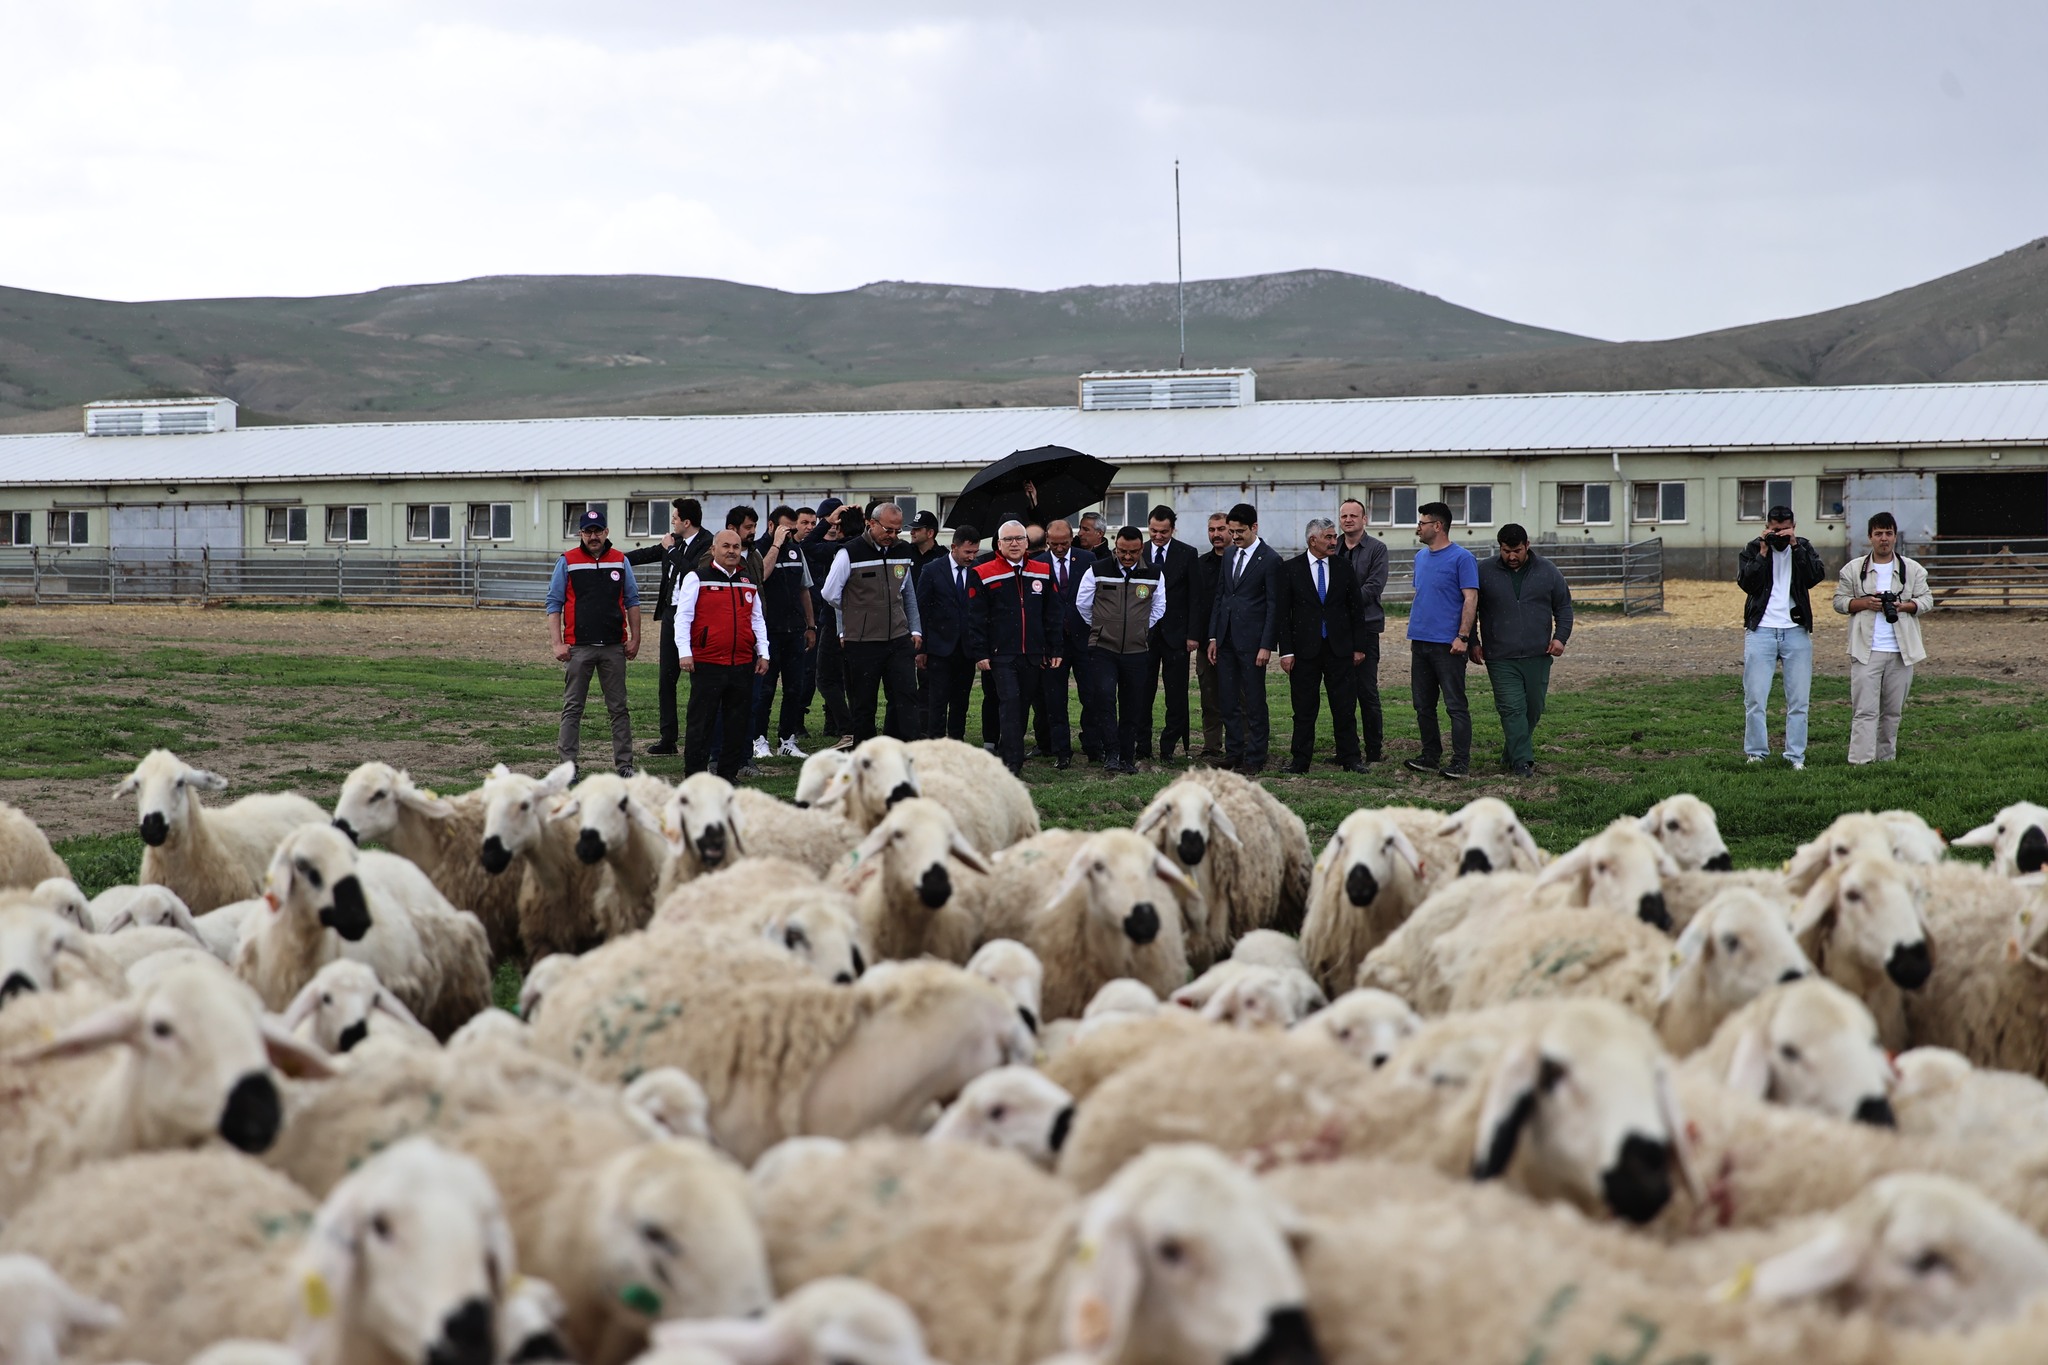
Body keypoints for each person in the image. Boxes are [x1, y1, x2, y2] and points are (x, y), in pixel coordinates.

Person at [1469, 524, 1573, 778]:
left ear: (1527, 545)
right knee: (1512, 708)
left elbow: (1564, 607)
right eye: (1506, 551)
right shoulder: (1483, 571)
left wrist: (1560, 638)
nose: (1511, 556)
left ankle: (1511, 753)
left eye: (1516, 550)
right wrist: (1472, 641)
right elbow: (1469, 610)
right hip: (1499, 656)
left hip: (1538, 654)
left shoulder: (1548, 571)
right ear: (1499, 547)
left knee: (1533, 709)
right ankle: (1523, 763)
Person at [546, 507, 641, 779]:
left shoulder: (620, 561)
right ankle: (568, 767)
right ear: (580, 534)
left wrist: (636, 638)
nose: (593, 536)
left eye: (598, 530)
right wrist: (557, 643)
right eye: (588, 531)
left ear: (606, 531)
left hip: (614, 646)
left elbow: (633, 601)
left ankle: (624, 765)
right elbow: (554, 603)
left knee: (619, 709)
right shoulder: (567, 561)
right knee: (573, 708)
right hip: (579, 647)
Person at [1833, 511, 1932, 765]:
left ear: (1895, 536)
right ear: (1870, 537)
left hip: (1902, 650)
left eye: (1888, 533)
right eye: (1878, 534)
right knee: (1864, 710)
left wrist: (1904, 606)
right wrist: (1865, 603)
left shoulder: (1913, 569)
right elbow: (1839, 602)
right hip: (1867, 650)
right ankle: (1860, 761)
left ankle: (1886, 759)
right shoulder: (1853, 570)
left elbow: (1927, 601)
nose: (1884, 539)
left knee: (1892, 712)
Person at [821, 500, 923, 743]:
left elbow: (907, 593)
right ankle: (865, 754)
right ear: (871, 523)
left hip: (898, 638)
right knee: (863, 703)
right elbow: (831, 593)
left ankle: (904, 750)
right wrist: (852, 620)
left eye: (898, 530)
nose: (893, 535)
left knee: (906, 696)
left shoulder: (903, 551)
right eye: (888, 530)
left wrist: (916, 628)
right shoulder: (849, 552)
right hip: (863, 641)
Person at [1274, 518, 1370, 774]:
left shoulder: (1343, 567)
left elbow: (1356, 610)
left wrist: (1359, 646)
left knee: (1345, 706)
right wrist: (1286, 651)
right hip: (1304, 651)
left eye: (1333, 536)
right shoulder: (1290, 569)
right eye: (1327, 537)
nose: (1333, 541)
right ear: (1312, 540)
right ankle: (1300, 760)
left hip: (1339, 649)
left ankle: (1350, 757)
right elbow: (1283, 614)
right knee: (1304, 709)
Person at [674, 529, 769, 782]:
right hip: (707, 663)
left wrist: (764, 653)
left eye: (736, 547)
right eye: (725, 546)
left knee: (736, 723)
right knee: (701, 724)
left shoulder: (747, 582)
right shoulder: (697, 578)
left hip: (741, 664)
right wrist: (685, 653)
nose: (731, 551)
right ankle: (694, 776)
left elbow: (757, 619)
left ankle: (728, 774)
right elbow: (683, 618)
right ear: (713, 549)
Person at [1738, 503, 1828, 769]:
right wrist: (1763, 553)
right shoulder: (1754, 548)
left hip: (1796, 631)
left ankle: (1795, 756)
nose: (1779, 535)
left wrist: (1795, 547)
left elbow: (1815, 576)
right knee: (1755, 697)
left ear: (1793, 527)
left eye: (1784, 530)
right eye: (1774, 530)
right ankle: (1756, 753)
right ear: (1767, 527)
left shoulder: (1803, 547)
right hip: (1761, 630)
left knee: (1799, 700)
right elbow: (1746, 583)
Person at [967, 520, 1060, 776]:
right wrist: (981, 652)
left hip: (1032, 652)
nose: (1015, 543)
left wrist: (1055, 648)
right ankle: (1012, 763)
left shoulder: (1042, 569)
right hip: (1000, 653)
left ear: (1027, 542)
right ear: (999, 544)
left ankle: (1012, 752)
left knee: (1022, 704)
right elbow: (976, 617)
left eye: (1019, 538)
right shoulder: (983, 571)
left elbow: (1052, 613)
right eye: (1008, 539)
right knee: (1009, 701)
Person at [1075, 526, 1165, 774]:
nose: (1127, 557)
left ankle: (1127, 755)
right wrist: (1101, 627)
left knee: (1132, 704)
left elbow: (1159, 607)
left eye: (1133, 552)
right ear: (1116, 547)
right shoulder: (1097, 570)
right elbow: (1083, 604)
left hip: (1136, 650)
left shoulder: (1154, 574)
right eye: (1123, 551)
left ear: (1141, 549)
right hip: (1103, 648)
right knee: (1104, 698)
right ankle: (1111, 752)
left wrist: (1139, 628)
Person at [1404, 502, 1479, 780]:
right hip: (1420, 641)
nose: (1417, 528)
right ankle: (1430, 755)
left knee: (1455, 705)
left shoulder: (1462, 558)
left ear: (1437, 526)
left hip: (1448, 645)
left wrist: (1463, 637)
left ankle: (1461, 761)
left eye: (1422, 523)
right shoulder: (1420, 558)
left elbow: (1470, 599)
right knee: (1422, 705)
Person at [1206, 503, 1282, 776]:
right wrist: (1214, 636)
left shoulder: (1271, 560)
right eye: (1232, 531)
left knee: (1253, 700)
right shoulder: (1228, 555)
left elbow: (1274, 606)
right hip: (1225, 640)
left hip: (1253, 644)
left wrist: (1266, 645)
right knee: (1227, 700)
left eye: (1240, 532)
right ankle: (1234, 753)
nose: (1234, 536)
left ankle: (1256, 756)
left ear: (1254, 528)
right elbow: (1221, 596)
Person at [625, 497, 701, 758]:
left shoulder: (708, 545)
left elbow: (693, 573)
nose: (672, 521)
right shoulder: (674, 543)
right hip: (671, 615)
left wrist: (670, 551)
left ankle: (698, 737)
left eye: (675, 518)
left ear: (687, 522)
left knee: (699, 680)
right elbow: (645, 554)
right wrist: (612, 558)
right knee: (666, 679)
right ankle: (668, 738)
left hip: (696, 617)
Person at [749, 506, 818, 760]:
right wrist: (776, 545)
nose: (790, 532)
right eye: (785, 527)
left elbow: (804, 589)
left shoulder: (796, 550)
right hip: (768, 632)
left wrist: (811, 625)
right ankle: (758, 739)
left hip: (795, 630)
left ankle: (787, 739)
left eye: (792, 528)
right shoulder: (757, 550)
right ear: (771, 526)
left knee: (794, 688)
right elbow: (761, 577)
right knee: (765, 689)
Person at [1141, 505, 1199, 761]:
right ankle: (1141, 745)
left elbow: (1196, 598)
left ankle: (1169, 746)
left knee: (1176, 694)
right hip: (1143, 636)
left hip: (1177, 636)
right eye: (1153, 530)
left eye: (1163, 531)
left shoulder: (1188, 553)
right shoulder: (1138, 551)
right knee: (1142, 692)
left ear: (1172, 529)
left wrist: (1192, 634)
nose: (1158, 536)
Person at [1336, 496, 1390, 765]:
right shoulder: (1332, 547)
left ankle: (1373, 752)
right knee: (1340, 692)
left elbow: (1374, 586)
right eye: (1344, 516)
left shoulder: (1377, 549)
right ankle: (1347, 750)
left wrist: (1342, 601)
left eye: (1353, 516)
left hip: (1366, 629)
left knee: (1366, 691)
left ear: (1364, 519)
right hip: (1336, 631)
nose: (1348, 520)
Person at [916, 525, 983, 742]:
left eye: (975, 552)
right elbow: (922, 610)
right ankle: (935, 742)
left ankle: (956, 740)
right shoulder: (932, 570)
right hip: (939, 648)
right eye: (967, 552)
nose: (971, 557)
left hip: (967, 648)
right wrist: (922, 649)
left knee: (961, 700)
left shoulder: (979, 570)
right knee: (937, 699)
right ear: (954, 547)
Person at [1037, 519, 1092, 770]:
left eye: (1064, 543)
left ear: (1073, 539)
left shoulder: (1087, 560)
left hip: (1083, 639)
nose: (1059, 548)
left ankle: (1092, 745)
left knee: (1090, 696)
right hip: (1052, 643)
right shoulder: (1038, 564)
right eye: (1054, 544)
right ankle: (1061, 750)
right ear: (1047, 541)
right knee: (1054, 699)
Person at [799, 498, 851, 745]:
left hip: (832, 618)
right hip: (822, 618)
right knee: (820, 675)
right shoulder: (853, 547)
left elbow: (807, 544)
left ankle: (844, 726)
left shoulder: (839, 550)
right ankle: (843, 725)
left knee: (830, 677)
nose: (832, 525)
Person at [1187, 512, 1233, 759]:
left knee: (1242, 698)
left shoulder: (1240, 561)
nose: (1216, 534)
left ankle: (1244, 745)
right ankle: (1211, 746)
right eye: (1212, 529)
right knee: (1210, 698)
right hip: (1207, 644)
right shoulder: (1200, 564)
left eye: (1221, 529)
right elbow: (1195, 603)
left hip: (1236, 643)